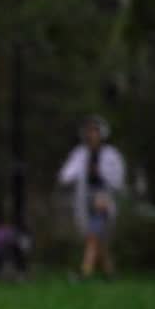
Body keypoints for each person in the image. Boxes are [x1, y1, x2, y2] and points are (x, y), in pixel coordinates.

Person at [58, 116, 125, 279]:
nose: (92, 135)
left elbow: (117, 178)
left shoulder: (111, 155)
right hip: (84, 198)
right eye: (89, 132)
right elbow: (67, 173)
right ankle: (110, 272)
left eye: (95, 131)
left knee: (93, 236)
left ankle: (84, 272)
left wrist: (101, 175)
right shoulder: (81, 153)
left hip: (102, 198)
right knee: (98, 237)